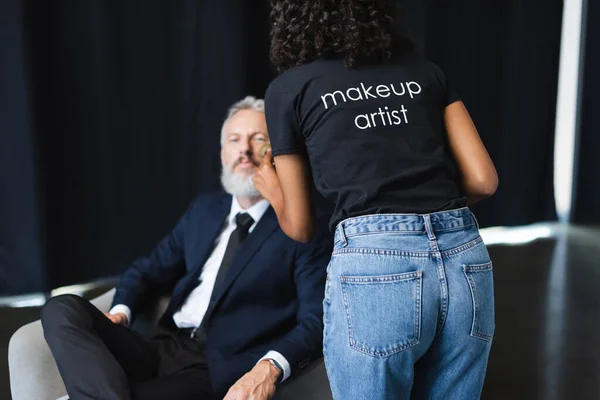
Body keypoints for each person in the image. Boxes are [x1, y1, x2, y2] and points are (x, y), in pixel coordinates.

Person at [251, 1, 499, 399]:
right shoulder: (424, 71)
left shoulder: (289, 89)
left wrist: (270, 186)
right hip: (464, 255)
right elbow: (484, 181)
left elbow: (299, 226)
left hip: (375, 262)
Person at [41, 96, 332, 400]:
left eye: (258, 138)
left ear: (278, 154)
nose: (244, 150)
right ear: (222, 154)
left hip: (214, 367)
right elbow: (146, 271)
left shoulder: (303, 225)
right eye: (234, 140)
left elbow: (316, 319)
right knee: (61, 307)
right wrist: (121, 313)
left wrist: (269, 367)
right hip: (159, 347)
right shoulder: (204, 211)